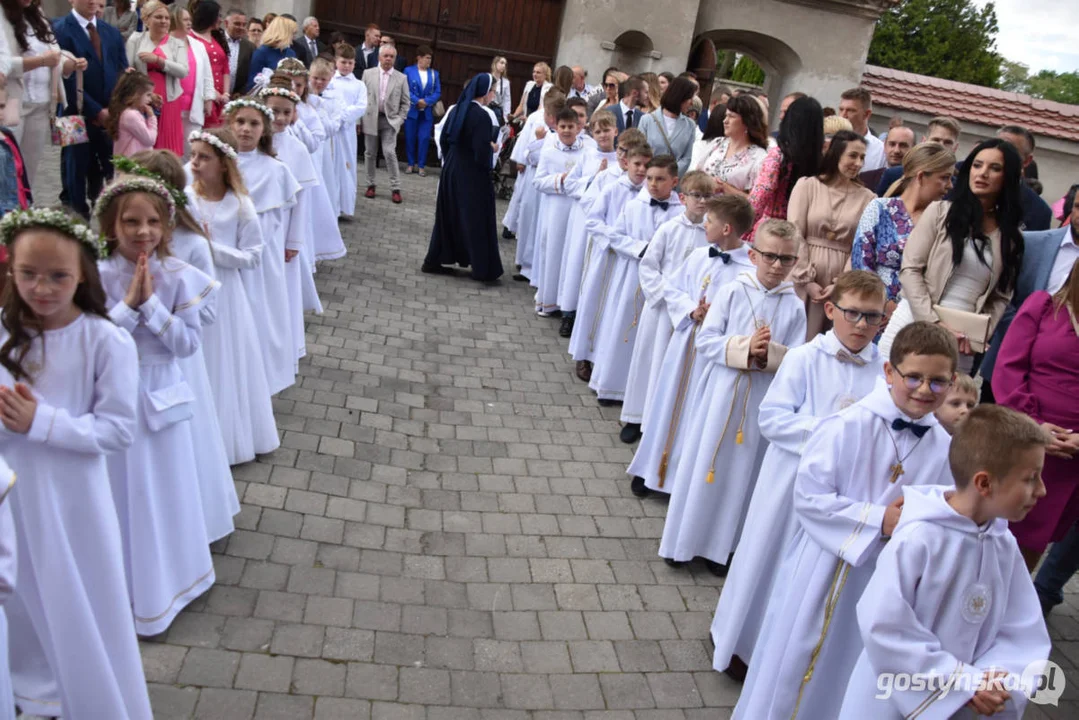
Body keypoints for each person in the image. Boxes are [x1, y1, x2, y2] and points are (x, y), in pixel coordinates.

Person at [735, 321, 959, 720]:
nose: (925, 390)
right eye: (914, 377)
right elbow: (809, 497)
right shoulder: (845, 426)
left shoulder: (945, 448)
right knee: (799, 661)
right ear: (889, 373)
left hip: (890, 579)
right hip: (825, 568)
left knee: (849, 673)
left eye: (938, 382)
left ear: (953, 381)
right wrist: (877, 520)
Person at [0, 207, 152, 719]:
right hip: (13, 498)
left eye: (58, 276)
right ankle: (29, 694)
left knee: (77, 600)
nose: (41, 288)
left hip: (73, 499)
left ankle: (92, 697)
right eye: (28, 274)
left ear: (83, 273)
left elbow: (116, 429)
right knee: (21, 599)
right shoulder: (3, 332)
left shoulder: (105, 340)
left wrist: (40, 422)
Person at [710, 270, 886, 679]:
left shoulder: (884, 373)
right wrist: (833, 431)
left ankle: (784, 659)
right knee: (765, 559)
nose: (861, 325)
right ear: (830, 310)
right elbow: (771, 419)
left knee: (806, 578)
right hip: (788, 484)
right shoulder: (805, 358)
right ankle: (739, 640)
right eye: (852, 313)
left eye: (872, 317)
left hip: (841, 494)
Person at [836, 405, 1052, 719]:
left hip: (972, 699)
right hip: (892, 698)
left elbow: (1020, 626)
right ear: (983, 483)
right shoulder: (919, 539)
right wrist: (962, 681)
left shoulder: (1002, 543)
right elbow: (885, 626)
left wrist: (996, 677)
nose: (1042, 490)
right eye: (1031, 479)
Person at [94, 176, 217, 637]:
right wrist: (128, 305)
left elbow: (186, 345)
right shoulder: (97, 274)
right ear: (112, 225)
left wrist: (153, 308)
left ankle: (172, 580)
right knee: (122, 491)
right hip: (112, 395)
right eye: (130, 222)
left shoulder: (179, 275)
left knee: (163, 489)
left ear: (166, 226)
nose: (141, 231)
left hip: (162, 391)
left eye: (151, 222)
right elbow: (93, 344)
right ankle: (122, 584)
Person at [659, 218, 807, 576]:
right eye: (770, 256)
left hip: (760, 398)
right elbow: (707, 340)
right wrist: (743, 347)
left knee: (742, 474)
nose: (777, 265)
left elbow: (798, 357)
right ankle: (683, 542)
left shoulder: (795, 306)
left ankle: (721, 548)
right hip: (720, 393)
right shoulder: (732, 291)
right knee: (703, 462)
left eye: (786, 260)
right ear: (753, 255)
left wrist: (768, 355)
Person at [118, 147, 238, 545]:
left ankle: (191, 523)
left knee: (180, 447)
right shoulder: (113, 246)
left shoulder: (191, 243)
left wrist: (159, 310)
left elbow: (205, 314)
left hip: (173, 361)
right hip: (121, 365)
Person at [627, 194, 758, 496]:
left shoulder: (748, 270)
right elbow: (672, 286)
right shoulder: (701, 255)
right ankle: (653, 470)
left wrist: (719, 319)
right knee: (669, 402)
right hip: (687, 341)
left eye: (709, 221)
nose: (704, 224)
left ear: (727, 228)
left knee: (697, 413)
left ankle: (681, 481)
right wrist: (690, 309)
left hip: (714, 354)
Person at [878, 139, 1025, 373]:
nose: (983, 173)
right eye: (977, 165)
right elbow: (910, 269)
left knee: (943, 406)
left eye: (994, 168)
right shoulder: (939, 212)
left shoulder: (1011, 237)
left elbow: (1001, 296)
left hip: (961, 340)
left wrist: (979, 333)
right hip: (913, 320)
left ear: (1008, 177)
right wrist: (934, 323)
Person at [186, 127, 281, 465]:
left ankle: (226, 438)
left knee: (223, 361)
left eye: (203, 157)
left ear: (224, 164)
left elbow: (253, 256)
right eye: (193, 155)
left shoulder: (240, 205)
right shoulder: (185, 198)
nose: (194, 163)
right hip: (190, 290)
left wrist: (211, 249)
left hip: (225, 292)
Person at [618, 171, 717, 442]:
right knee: (650, 361)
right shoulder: (669, 228)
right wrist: (667, 296)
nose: (702, 201)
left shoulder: (713, 235)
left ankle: (665, 424)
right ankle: (637, 417)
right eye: (696, 195)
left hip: (693, 313)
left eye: (708, 196)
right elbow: (649, 266)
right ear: (683, 198)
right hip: (663, 309)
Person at [994, 259, 1079, 572]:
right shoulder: (1044, 306)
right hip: (1022, 438)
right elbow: (1009, 367)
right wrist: (1033, 426)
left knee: (1030, 546)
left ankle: (1004, 610)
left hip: (1070, 459)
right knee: (993, 526)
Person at [587, 155, 682, 404]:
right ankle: (611, 385)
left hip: (662, 281)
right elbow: (615, 237)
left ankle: (641, 397)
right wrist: (641, 248)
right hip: (631, 275)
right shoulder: (633, 206)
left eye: (660, 179)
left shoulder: (681, 214)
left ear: (674, 181)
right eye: (649, 178)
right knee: (622, 327)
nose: (652, 184)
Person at [225, 97, 301, 394]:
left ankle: (259, 380)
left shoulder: (276, 169)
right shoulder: (218, 163)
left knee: (259, 313)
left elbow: (288, 213)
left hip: (262, 258)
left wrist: (292, 242)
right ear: (229, 124)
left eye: (254, 123)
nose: (245, 129)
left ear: (264, 129)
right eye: (240, 122)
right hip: (223, 253)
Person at [982, 189, 1079, 401]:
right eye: (1078, 207)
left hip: (1066, 384)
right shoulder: (1032, 243)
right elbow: (1001, 296)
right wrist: (1023, 336)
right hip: (1006, 367)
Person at [568, 143, 654, 378]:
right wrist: (620, 243)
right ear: (626, 163)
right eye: (637, 164)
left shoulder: (651, 194)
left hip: (633, 263)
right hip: (609, 256)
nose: (641, 170)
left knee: (618, 311)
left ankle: (608, 360)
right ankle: (584, 354)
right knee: (595, 302)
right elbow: (593, 220)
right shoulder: (612, 188)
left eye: (647, 165)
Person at [789, 129, 875, 339]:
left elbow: (861, 245)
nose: (858, 163)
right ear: (836, 154)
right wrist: (805, 279)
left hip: (839, 280)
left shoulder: (868, 198)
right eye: (853, 155)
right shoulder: (808, 186)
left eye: (862, 157)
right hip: (802, 271)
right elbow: (794, 230)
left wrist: (841, 284)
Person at [851, 143, 956, 312]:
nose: (950, 185)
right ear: (921, 177)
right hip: (872, 310)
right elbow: (861, 263)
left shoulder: (944, 220)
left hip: (919, 313)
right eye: (945, 177)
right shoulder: (880, 208)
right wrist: (881, 305)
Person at [423, 73, 502, 282]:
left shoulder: (457, 109)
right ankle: (482, 268)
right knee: (475, 218)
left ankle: (434, 259)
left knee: (448, 214)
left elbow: (445, 138)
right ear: (485, 92)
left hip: (451, 169)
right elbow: (480, 151)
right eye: (492, 90)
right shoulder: (482, 116)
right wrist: (492, 148)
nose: (493, 94)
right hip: (471, 174)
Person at [55, 0, 129, 217]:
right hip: (73, 116)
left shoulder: (111, 33)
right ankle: (77, 220)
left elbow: (122, 71)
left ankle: (110, 216)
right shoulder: (59, 30)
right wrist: (96, 110)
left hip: (109, 115)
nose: (92, 1)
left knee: (111, 167)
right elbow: (64, 79)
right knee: (74, 169)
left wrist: (114, 108)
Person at [555, 110, 620, 337]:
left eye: (606, 130)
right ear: (592, 133)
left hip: (607, 222)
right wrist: (595, 178)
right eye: (598, 131)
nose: (602, 135)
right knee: (576, 264)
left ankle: (591, 315)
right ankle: (569, 313)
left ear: (616, 131)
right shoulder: (587, 157)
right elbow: (570, 185)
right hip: (582, 220)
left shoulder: (621, 161)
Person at [532, 106, 590, 315]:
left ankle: (569, 303)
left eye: (570, 127)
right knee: (554, 252)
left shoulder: (587, 151)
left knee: (573, 256)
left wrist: (578, 183)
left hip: (577, 209)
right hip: (556, 209)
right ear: (556, 127)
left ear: (578, 128)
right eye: (563, 126)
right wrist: (561, 180)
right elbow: (538, 181)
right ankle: (549, 301)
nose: (566, 131)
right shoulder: (549, 152)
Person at [746, 96, 823, 240]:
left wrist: (742, 227)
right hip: (799, 233)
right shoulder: (820, 160)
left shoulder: (778, 154)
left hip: (769, 229)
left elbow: (761, 193)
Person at [127, 0, 188, 155]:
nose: (164, 21)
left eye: (167, 18)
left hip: (169, 100)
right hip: (141, 99)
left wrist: (159, 61)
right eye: (158, 17)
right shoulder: (135, 40)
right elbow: (127, 70)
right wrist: (144, 93)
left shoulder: (177, 43)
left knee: (165, 147)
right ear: (146, 19)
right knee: (144, 144)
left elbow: (183, 71)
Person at [691, 93, 768, 196]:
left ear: (747, 122)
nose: (725, 121)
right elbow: (697, 174)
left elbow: (755, 201)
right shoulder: (717, 143)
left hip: (730, 210)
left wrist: (724, 187)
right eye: (726, 116)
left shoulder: (759, 157)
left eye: (731, 116)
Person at [361, 44, 409, 204]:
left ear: (395, 59)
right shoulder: (368, 74)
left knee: (389, 152)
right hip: (370, 118)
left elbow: (406, 102)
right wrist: (359, 120)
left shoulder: (401, 78)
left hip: (390, 120)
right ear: (379, 57)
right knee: (370, 153)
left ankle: (395, 188)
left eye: (391, 56)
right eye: (385, 56)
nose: (388, 59)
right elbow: (360, 98)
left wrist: (400, 119)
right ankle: (370, 185)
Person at [324, 44, 367, 218]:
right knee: (330, 165)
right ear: (336, 61)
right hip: (331, 131)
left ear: (354, 63)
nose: (347, 66)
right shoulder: (329, 82)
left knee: (346, 165)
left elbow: (361, 106)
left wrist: (343, 116)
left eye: (350, 63)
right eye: (343, 62)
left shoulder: (359, 85)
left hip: (347, 131)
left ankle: (344, 206)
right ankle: (328, 206)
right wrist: (335, 117)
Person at [874, 115, 961, 196]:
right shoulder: (894, 175)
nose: (940, 146)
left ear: (955, 148)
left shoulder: (957, 188)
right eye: (936, 140)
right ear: (924, 141)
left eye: (947, 142)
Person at [171, 4, 213, 151]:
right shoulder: (166, 42)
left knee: (192, 147)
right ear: (174, 21)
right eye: (184, 20)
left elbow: (207, 74)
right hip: (172, 105)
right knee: (172, 147)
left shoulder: (198, 45)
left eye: (190, 19)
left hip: (194, 106)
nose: (189, 23)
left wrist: (209, 98)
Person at [637, 77, 696, 176]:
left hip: (672, 182)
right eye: (689, 98)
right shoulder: (647, 120)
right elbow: (639, 151)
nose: (691, 103)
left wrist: (669, 174)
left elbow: (686, 158)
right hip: (648, 178)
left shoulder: (690, 125)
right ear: (680, 96)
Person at [997, 125, 1052, 231]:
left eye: (1009, 149)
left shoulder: (1038, 211)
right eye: (996, 146)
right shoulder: (969, 187)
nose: (999, 153)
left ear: (1027, 160)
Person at [188, 1, 229, 129]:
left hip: (221, 99)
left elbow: (225, 68)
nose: (221, 20)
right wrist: (213, 92)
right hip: (204, 95)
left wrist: (226, 94)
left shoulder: (217, 37)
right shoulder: (191, 37)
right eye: (218, 16)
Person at [403, 45, 440, 176]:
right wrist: (416, 100)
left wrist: (427, 101)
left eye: (430, 58)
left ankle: (422, 165)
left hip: (427, 111)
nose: (429, 61)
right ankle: (410, 163)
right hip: (412, 110)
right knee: (410, 137)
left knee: (424, 138)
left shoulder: (434, 74)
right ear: (419, 58)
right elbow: (405, 88)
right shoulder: (408, 71)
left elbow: (437, 92)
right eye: (427, 58)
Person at [108, 70, 158, 155]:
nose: (150, 99)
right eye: (148, 95)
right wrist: (152, 118)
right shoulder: (131, 115)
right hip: (133, 165)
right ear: (136, 94)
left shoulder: (128, 112)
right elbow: (150, 140)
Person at [838, 87, 885, 171]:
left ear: (866, 114)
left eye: (851, 110)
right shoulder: (828, 143)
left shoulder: (881, 152)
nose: (843, 115)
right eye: (841, 109)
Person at [245, 15, 295, 91]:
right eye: (292, 33)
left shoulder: (291, 53)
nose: (294, 37)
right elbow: (252, 83)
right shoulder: (261, 53)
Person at [858, 124, 914, 191]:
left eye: (903, 145)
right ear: (884, 146)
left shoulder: (918, 182)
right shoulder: (866, 179)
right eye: (892, 144)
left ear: (913, 148)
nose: (896, 150)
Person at [222, 7, 253, 94]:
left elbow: (250, 74)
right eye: (237, 24)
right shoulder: (216, 41)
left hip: (237, 98)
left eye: (244, 24)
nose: (241, 27)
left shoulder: (249, 47)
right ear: (226, 23)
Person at [490, 55, 511, 121]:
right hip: (485, 108)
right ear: (495, 63)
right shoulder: (488, 77)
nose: (504, 66)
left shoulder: (506, 82)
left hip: (497, 110)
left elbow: (507, 100)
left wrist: (505, 117)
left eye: (505, 64)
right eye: (501, 63)